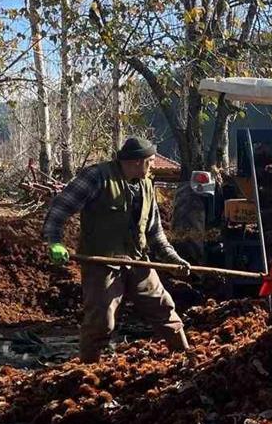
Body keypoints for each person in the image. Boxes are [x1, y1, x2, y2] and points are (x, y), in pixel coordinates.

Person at [43, 137, 191, 363]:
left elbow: (154, 232)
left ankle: (187, 358)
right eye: (150, 161)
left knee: (163, 309)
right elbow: (59, 208)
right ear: (136, 161)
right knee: (101, 322)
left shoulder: (146, 185)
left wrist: (173, 259)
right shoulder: (96, 177)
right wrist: (54, 241)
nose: (153, 166)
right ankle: (87, 369)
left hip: (138, 261)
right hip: (102, 263)